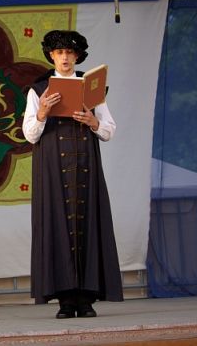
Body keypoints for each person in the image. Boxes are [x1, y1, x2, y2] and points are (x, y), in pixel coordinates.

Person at [22, 30, 123, 319]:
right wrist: (42, 112)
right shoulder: (38, 90)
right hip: (52, 167)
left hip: (85, 166)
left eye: (69, 52)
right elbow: (29, 135)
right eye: (59, 53)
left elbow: (109, 130)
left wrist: (93, 121)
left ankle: (85, 299)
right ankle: (65, 300)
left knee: (88, 223)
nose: (65, 57)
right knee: (56, 225)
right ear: (51, 56)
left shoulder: (91, 86)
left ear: (77, 56)